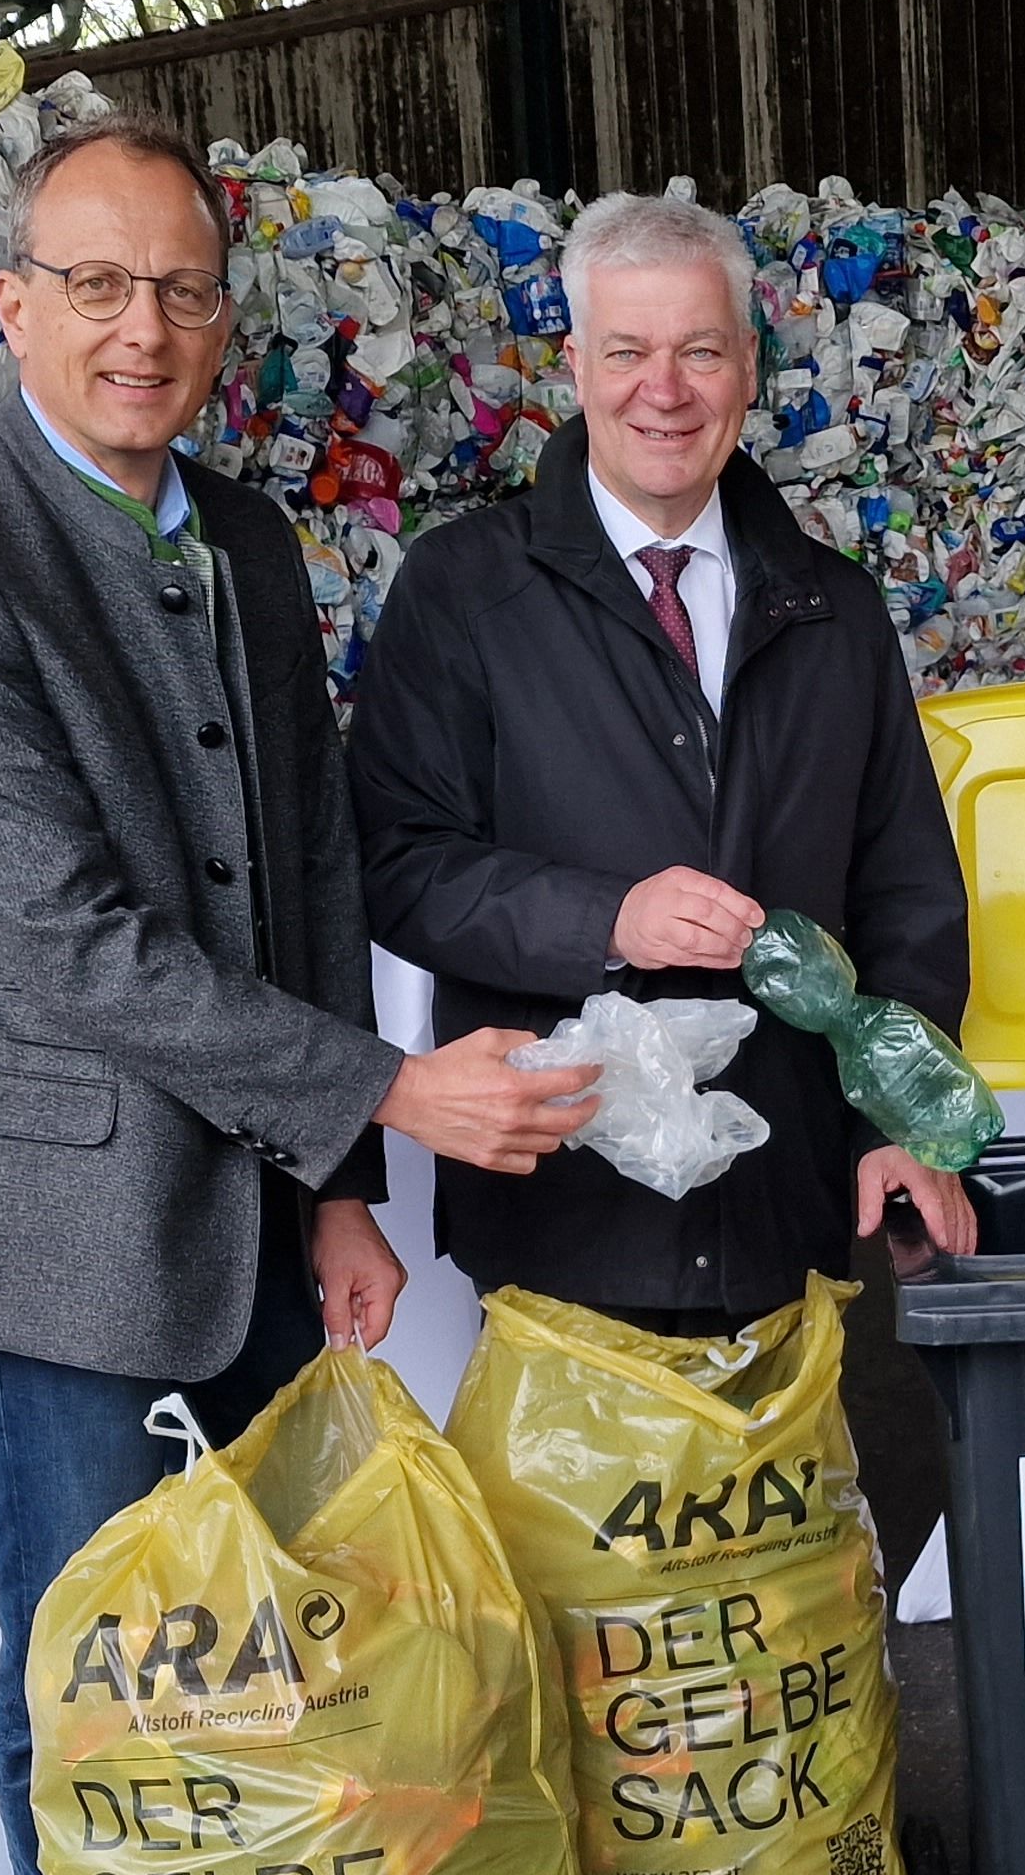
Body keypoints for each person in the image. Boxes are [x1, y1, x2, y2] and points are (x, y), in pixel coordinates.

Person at [0, 101, 595, 1875]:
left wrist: (344, 1183)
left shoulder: (247, 539)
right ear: (10, 306)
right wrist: (395, 1092)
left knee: (284, 1649)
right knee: (97, 1659)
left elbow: (312, 867)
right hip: (58, 1220)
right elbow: (69, 941)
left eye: (180, 290)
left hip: (265, 1202)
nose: (140, 331)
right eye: (95, 284)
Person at [349, 189, 977, 1326]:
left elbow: (907, 898)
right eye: (628, 350)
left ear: (746, 364)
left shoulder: (832, 608)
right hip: (566, 1212)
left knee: (810, 1509)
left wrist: (897, 1125)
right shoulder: (463, 593)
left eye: (699, 350)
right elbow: (397, 864)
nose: (665, 390)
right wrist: (605, 919)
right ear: (575, 369)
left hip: (794, 1215)